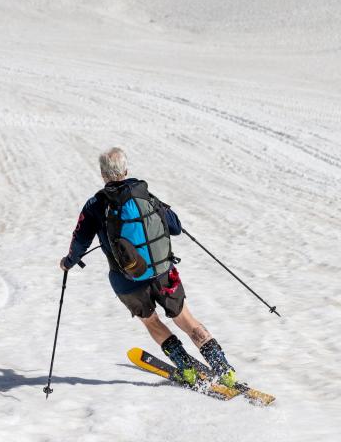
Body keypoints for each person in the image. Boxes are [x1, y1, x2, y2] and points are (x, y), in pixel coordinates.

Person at [59, 147, 237, 387]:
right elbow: (175, 227)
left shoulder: (95, 204)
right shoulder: (146, 195)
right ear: (126, 170)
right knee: (185, 318)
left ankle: (186, 369)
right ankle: (223, 368)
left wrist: (68, 262)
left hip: (127, 280)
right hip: (163, 272)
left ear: (103, 174)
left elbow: (80, 240)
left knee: (151, 321)